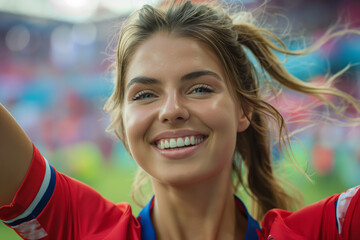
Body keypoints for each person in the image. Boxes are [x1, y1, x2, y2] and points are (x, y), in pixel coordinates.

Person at [1, 0, 360, 239]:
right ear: (123, 123)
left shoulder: (332, 228)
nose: (171, 109)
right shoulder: (82, 227)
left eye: (200, 88)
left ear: (243, 109)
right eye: (145, 94)